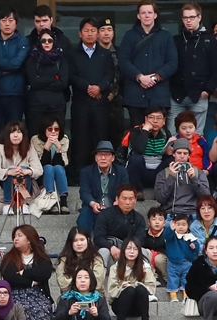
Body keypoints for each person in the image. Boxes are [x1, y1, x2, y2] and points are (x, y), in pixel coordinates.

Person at [117, 1, 178, 126]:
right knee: (137, 134)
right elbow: (123, 61)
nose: (146, 15)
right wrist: (139, 77)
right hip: (135, 95)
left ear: (155, 15)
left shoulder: (165, 36)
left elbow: (172, 63)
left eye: (150, 12)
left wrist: (155, 78)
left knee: (158, 136)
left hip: (159, 95)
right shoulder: (129, 36)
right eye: (143, 13)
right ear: (138, 16)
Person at [68, 18, 114, 180]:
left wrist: (99, 87)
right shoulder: (73, 53)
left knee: (100, 137)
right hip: (81, 102)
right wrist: (88, 87)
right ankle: (79, 175)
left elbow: (110, 74)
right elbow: (71, 76)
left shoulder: (105, 54)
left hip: (100, 104)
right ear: (80, 33)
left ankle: (100, 173)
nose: (90, 33)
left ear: (98, 33)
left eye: (93, 30)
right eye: (86, 30)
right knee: (80, 138)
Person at [169, 4, 216, 134]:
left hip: (199, 93)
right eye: (185, 18)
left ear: (199, 17)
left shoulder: (210, 40)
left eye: (191, 17)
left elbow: (215, 68)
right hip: (177, 94)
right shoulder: (176, 40)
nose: (188, 21)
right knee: (173, 133)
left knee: (196, 135)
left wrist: (208, 89)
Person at [0, 224, 54, 320]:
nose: (16, 239)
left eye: (19, 236)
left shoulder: (41, 257)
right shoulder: (9, 258)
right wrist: (32, 282)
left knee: (42, 307)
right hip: (15, 294)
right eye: (15, 236)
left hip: (39, 294)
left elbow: (44, 274)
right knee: (21, 308)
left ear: (29, 239)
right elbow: (10, 277)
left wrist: (24, 272)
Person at [0, 121, 42, 214]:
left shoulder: (30, 148)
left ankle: (23, 203)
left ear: (23, 134)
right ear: (7, 135)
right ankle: (7, 204)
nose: (16, 135)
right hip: (2, 188)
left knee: (24, 169)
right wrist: (9, 172)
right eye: (12, 132)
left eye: (18, 132)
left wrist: (27, 171)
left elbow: (39, 170)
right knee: (11, 170)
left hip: (24, 185)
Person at [107, 237, 157, 320]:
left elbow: (151, 288)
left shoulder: (145, 267)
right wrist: (124, 287)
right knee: (129, 290)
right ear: (123, 250)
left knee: (140, 289)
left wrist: (135, 285)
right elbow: (112, 290)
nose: (132, 251)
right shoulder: (115, 268)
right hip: (119, 305)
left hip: (138, 306)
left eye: (135, 249)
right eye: (128, 248)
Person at [93, 182, 147, 270]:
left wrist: (128, 249)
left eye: (131, 199)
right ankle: (98, 281)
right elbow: (98, 238)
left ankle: (145, 281)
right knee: (103, 251)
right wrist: (111, 247)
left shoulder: (139, 218)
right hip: (111, 253)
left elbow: (141, 239)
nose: (127, 202)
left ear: (135, 200)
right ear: (117, 199)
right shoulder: (105, 214)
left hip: (130, 255)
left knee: (144, 252)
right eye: (124, 198)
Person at [0, 8, 30, 128]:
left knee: (14, 131)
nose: (7, 24)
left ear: (16, 23)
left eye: (11, 20)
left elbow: (16, 63)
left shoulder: (22, 41)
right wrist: (6, 69)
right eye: (4, 20)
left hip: (15, 95)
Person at [78, 141, 129, 232]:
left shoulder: (121, 172)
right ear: (95, 158)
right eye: (100, 155)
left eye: (107, 155)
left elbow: (125, 190)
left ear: (113, 158)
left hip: (114, 207)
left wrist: (118, 201)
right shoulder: (86, 172)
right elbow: (84, 192)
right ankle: (85, 240)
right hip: (94, 208)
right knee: (85, 212)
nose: (103, 158)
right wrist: (93, 203)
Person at [154, 137, 209, 216]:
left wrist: (194, 178)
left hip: (192, 214)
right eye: (179, 153)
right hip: (171, 214)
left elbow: (206, 197)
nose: (182, 156)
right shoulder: (163, 173)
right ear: (173, 154)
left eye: (185, 153)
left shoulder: (198, 173)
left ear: (189, 155)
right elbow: (160, 198)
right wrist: (171, 177)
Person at [123, 106, 170, 197]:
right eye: (151, 117)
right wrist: (145, 131)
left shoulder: (165, 133)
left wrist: (169, 152)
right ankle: (137, 190)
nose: (155, 121)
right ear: (146, 119)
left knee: (173, 159)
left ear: (164, 121)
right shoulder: (136, 131)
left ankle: (161, 191)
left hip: (157, 173)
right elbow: (139, 149)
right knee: (136, 158)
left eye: (159, 118)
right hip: (141, 172)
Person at [30, 117, 70, 212]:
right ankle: (51, 201)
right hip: (41, 175)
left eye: (56, 129)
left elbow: (63, 163)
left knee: (58, 168)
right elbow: (39, 165)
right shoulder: (35, 140)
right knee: (48, 168)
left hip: (58, 172)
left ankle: (63, 201)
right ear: (44, 130)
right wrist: (46, 148)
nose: (53, 132)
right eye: (49, 129)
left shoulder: (64, 139)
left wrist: (58, 148)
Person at [56, 227, 107, 294]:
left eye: (82, 240)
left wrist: (73, 281)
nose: (79, 243)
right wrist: (86, 281)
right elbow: (62, 284)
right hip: (69, 297)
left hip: (93, 296)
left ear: (88, 240)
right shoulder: (63, 260)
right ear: (70, 243)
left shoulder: (96, 258)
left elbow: (98, 283)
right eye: (75, 240)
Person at [186, 236, 217, 320]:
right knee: (213, 295)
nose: (215, 251)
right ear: (206, 250)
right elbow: (190, 288)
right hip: (205, 302)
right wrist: (209, 287)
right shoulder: (198, 265)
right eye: (211, 248)